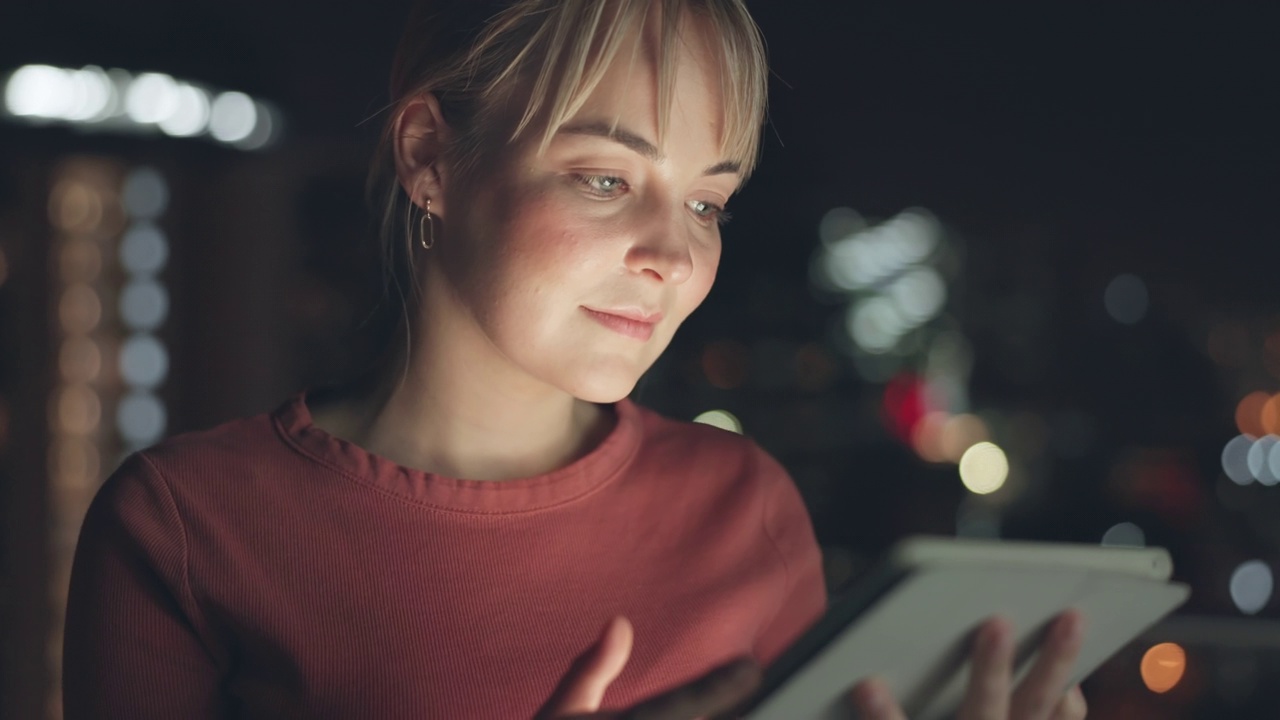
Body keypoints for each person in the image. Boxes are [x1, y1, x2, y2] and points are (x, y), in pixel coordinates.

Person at [62, 1, 1089, 718]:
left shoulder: (746, 509)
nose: (675, 254)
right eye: (604, 179)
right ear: (430, 154)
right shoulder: (186, 528)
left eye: (704, 201)